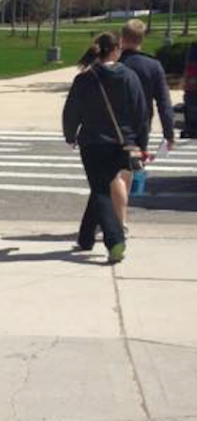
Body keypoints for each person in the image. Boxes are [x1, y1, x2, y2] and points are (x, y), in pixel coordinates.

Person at [62, 32, 149, 264]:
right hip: (124, 143)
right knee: (100, 186)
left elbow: (71, 112)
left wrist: (70, 135)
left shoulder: (84, 79)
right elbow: (141, 113)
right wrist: (142, 143)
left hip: (93, 143)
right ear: (116, 50)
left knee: (101, 190)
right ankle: (85, 237)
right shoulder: (130, 76)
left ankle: (114, 240)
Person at [119, 19, 175, 199]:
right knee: (132, 169)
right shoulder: (153, 66)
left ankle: (112, 213)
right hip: (140, 126)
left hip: (111, 125)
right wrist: (169, 133)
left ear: (122, 38)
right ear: (141, 39)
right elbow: (164, 103)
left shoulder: (115, 64)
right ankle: (121, 211)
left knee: (112, 171)